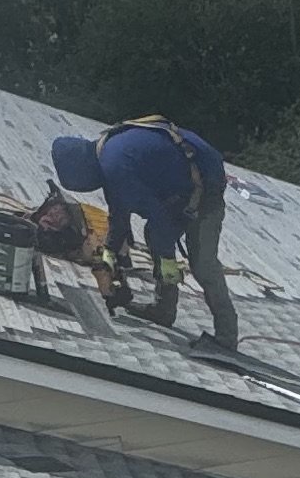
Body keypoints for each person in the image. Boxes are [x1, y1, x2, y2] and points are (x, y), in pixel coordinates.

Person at [49, 118, 240, 351]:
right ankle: (164, 310)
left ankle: (226, 338)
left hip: (207, 188)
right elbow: (119, 216)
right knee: (154, 236)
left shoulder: (116, 164)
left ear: (82, 172)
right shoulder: (108, 152)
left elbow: (161, 220)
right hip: (184, 186)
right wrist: (108, 258)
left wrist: (168, 263)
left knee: (202, 262)